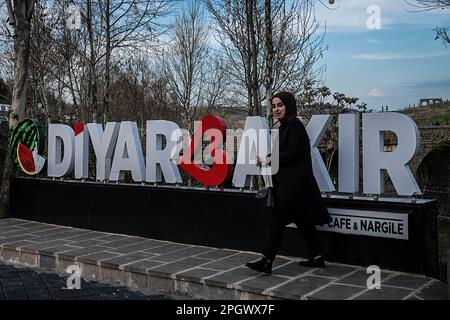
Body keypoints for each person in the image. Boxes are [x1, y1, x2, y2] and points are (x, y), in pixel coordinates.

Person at [245, 91, 332, 275]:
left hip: (294, 184)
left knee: (276, 219)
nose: (276, 109)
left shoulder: (294, 126)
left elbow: (294, 152)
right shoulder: (286, 126)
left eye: (280, 105)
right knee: (303, 221)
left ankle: (267, 261)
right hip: (294, 184)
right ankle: (318, 257)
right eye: (274, 106)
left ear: (289, 106)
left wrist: (268, 158)